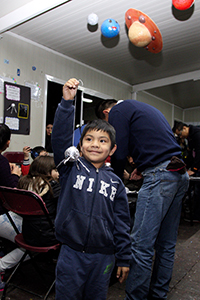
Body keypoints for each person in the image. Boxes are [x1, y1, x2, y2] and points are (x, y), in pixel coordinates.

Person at [96, 98, 189, 300]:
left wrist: (115, 182)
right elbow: (155, 145)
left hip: (160, 176)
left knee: (140, 245)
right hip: (178, 172)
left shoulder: (118, 111)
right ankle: (158, 295)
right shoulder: (141, 107)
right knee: (166, 244)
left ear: (106, 114)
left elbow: (119, 153)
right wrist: (142, 166)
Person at [51, 78, 131, 300]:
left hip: (104, 258)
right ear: (80, 144)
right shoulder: (70, 168)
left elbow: (122, 223)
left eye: (102, 141)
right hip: (71, 254)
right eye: (89, 138)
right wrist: (67, 103)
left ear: (112, 149)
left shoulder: (116, 183)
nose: (95, 144)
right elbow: (59, 139)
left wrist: (123, 257)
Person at [17, 155, 60, 246]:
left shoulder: (24, 182)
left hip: (28, 234)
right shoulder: (52, 186)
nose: (58, 173)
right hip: (48, 236)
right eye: (56, 170)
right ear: (47, 171)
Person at [0, 124, 22, 291]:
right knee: (31, 239)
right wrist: (14, 175)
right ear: (7, 143)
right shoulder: (2, 163)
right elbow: (12, 194)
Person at [173, 121, 200, 222]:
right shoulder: (190, 137)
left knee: (198, 192)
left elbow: (199, 153)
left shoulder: (197, 134)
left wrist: (194, 169)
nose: (180, 137)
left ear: (184, 128)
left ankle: (197, 216)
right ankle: (194, 213)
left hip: (198, 168)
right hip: (196, 166)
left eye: (180, 134)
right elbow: (190, 155)